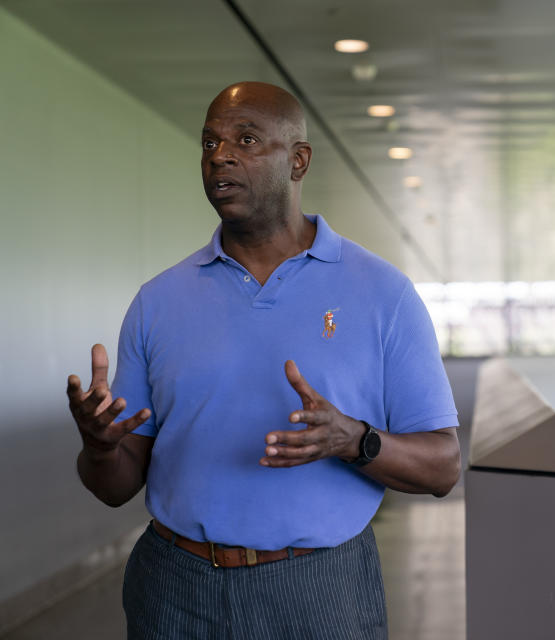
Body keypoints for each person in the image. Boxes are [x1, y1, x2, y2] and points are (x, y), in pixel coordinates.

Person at [65, 81, 460, 639]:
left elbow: (443, 466)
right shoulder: (159, 301)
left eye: (246, 139)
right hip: (173, 588)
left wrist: (353, 439)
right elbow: (114, 485)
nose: (219, 155)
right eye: (209, 143)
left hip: (319, 590)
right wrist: (100, 448)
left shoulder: (382, 293)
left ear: (298, 161)